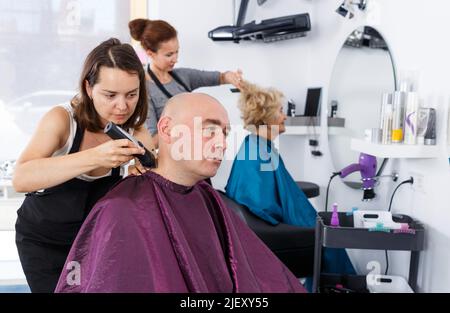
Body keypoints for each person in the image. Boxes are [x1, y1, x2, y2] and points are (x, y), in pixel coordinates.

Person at [55, 93, 306, 293]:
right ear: (166, 130)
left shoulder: (206, 198)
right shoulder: (122, 209)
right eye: (209, 130)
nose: (222, 143)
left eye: (225, 133)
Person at [12, 38, 155, 293]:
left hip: (92, 241)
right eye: (110, 95)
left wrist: (142, 171)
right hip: (44, 241)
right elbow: (21, 177)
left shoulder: (133, 127)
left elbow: (153, 167)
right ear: (89, 88)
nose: (122, 106)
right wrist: (96, 157)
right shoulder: (62, 119)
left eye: (131, 95)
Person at [225, 81, 355, 283]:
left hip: (291, 221)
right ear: (267, 117)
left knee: (330, 229)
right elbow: (260, 205)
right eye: (280, 111)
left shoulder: (256, 146)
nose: (285, 116)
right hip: (285, 230)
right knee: (331, 239)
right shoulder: (259, 153)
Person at [128, 18, 243, 145]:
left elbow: (220, 77)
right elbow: (152, 141)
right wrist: (185, 129)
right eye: (169, 54)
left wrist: (230, 77)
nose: (175, 59)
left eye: (177, 52)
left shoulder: (182, 76)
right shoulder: (144, 89)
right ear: (151, 54)